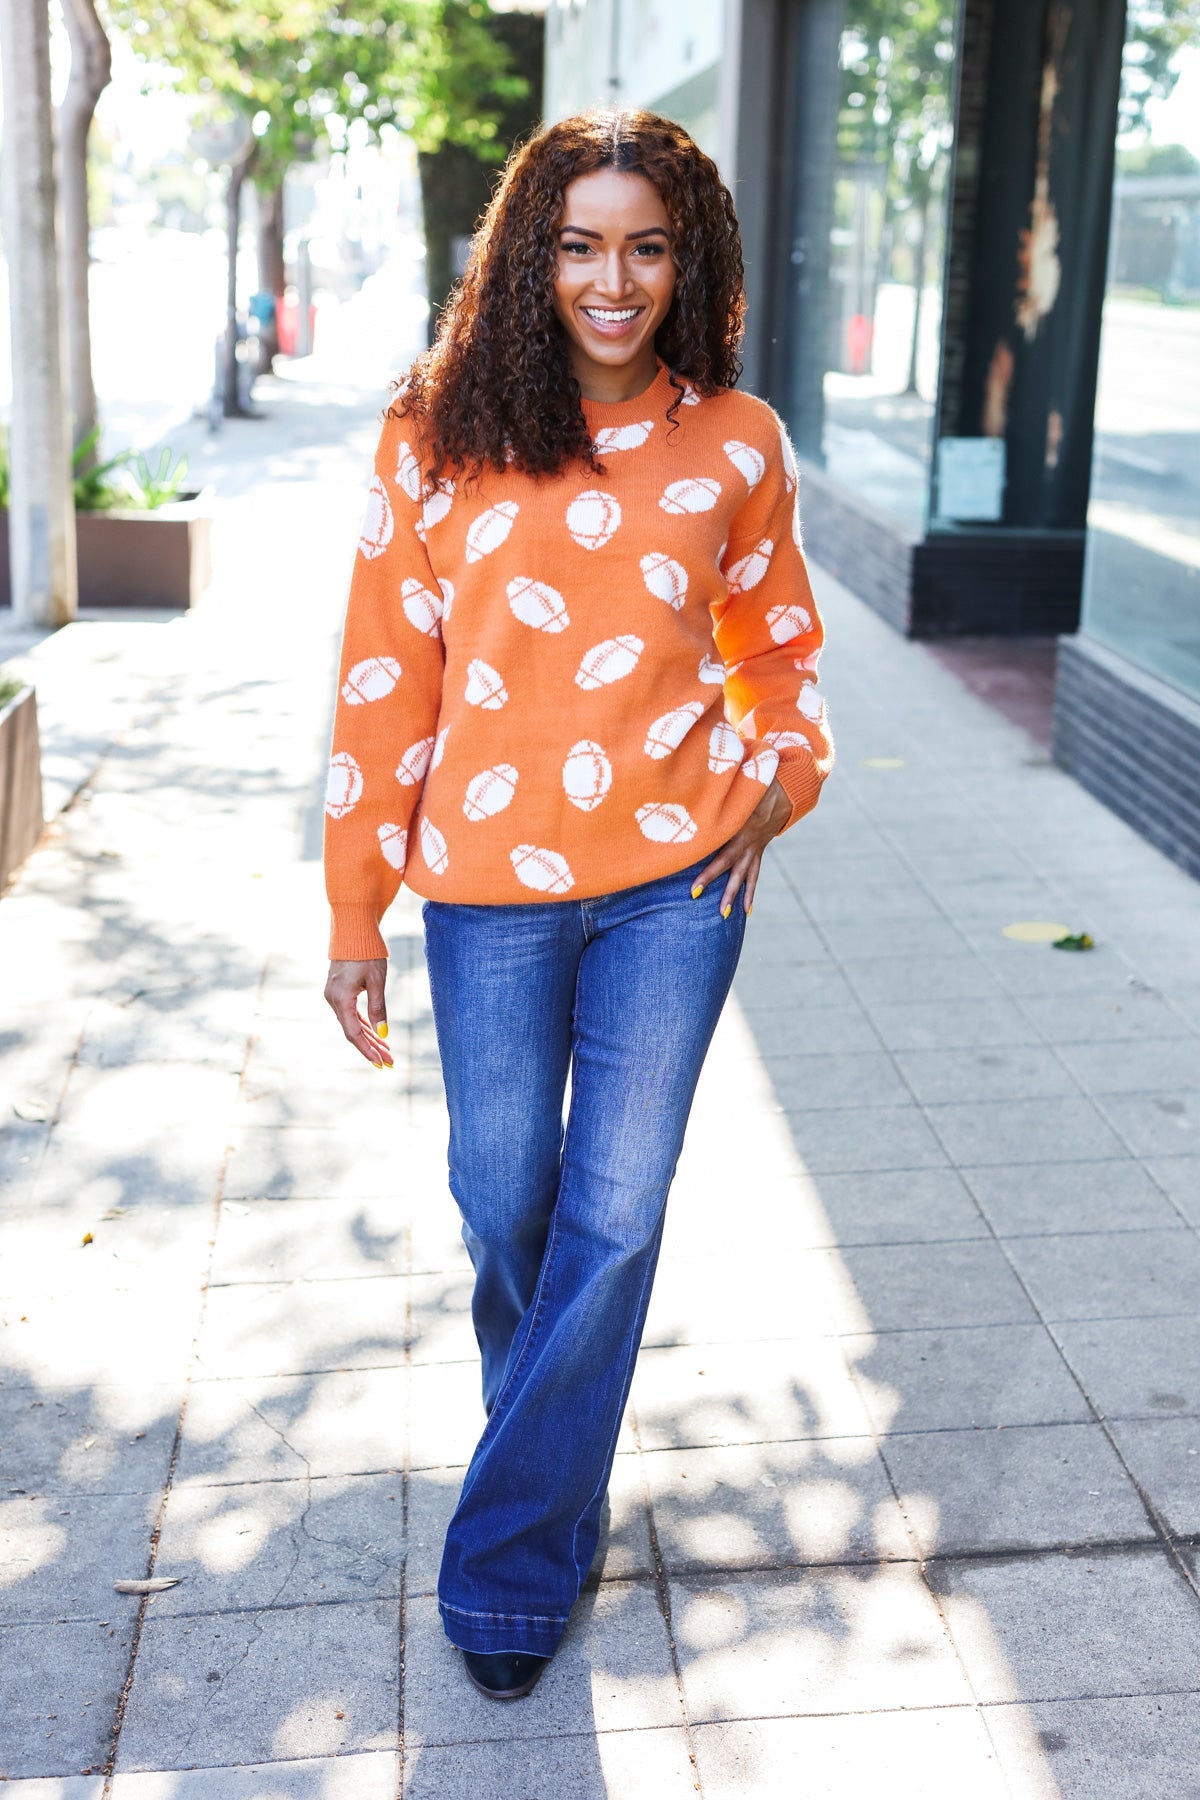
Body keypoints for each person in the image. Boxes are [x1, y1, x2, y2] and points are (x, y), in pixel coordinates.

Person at [323, 108, 834, 1702]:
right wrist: (353, 914)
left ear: (691, 261)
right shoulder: (434, 429)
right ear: (529, 252)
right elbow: (382, 679)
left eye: (647, 245)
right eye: (579, 243)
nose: (613, 279)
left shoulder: (738, 440)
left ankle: (508, 1567)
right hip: (486, 894)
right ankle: (554, 1463)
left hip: (679, 887)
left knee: (611, 1221)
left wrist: (780, 775)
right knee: (504, 1202)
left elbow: (780, 649)